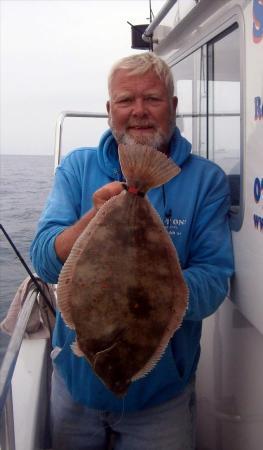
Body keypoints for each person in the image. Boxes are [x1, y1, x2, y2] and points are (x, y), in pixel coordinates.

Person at [30, 52, 234, 450]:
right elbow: (44, 258)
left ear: (173, 107)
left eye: (152, 99)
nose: (138, 111)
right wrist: (97, 217)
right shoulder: (77, 167)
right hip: (76, 389)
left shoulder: (205, 180)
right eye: (126, 100)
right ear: (109, 110)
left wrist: (141, 286)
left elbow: (213, 281)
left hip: (161, 401)